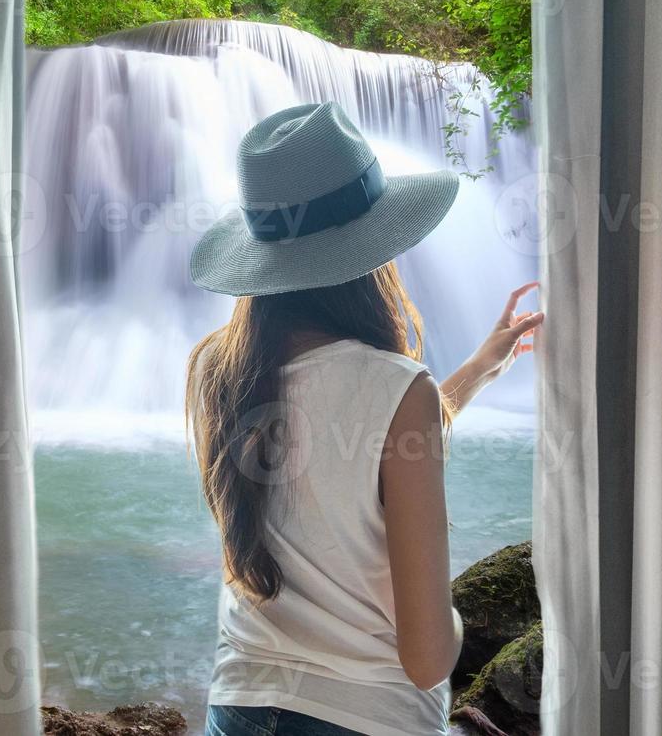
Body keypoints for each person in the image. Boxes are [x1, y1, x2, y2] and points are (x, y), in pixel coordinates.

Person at [187, 102, 542, 736]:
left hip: (235, 708)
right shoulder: (395, 387)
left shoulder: (218, 369)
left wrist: (476, 372)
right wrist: (465, 620)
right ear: (376, 249)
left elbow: (340, 443)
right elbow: (427, 658)